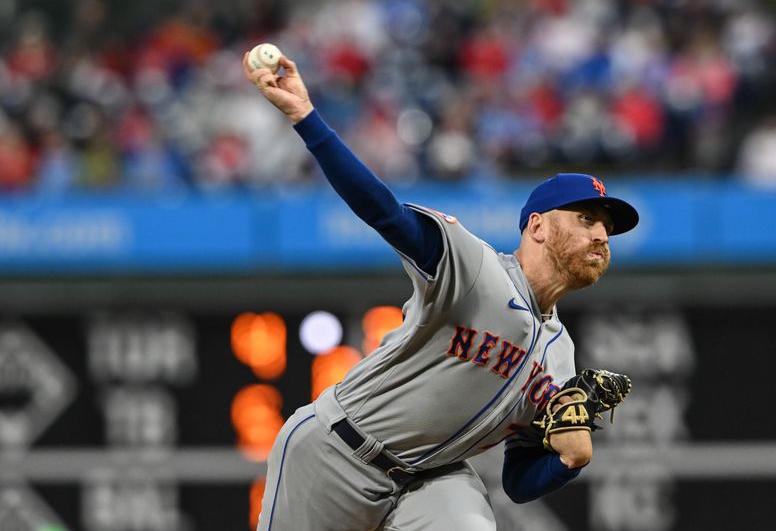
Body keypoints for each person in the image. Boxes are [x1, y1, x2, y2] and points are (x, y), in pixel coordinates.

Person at [243, 51, 639, 531]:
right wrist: (308, 120)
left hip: (430, 479)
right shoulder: (475, 268)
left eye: (607, 229)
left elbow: (517, 480)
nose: (601, 235)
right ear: (536, 227)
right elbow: (386, 213)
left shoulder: (561, 356)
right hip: (336, 451)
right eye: (587, 220)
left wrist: (569, 460)